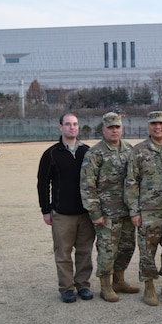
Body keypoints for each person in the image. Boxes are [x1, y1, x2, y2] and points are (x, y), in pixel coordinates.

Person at [124, 111, 162, 306]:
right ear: (149, 126)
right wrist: (134, 211)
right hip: (149, 211)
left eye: (161, 123)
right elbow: (131, 182)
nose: (158, 127)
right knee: (147, 251)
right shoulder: (139, 151)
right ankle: (149, 286)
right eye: (154, 124)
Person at [80, 112, 138, 303]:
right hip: (106, 213)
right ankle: (105, 286)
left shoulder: (129, 149)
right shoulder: (95, 153)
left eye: (117, 127)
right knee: (107, 250)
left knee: (127, 247)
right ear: (103, 129)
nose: (114, 130)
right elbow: (87, 185)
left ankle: (119, 280)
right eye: (110, 127)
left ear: (122, 128)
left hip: (127, 211)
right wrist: (95, 212)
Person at [37, 113, 95, 303]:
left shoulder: (87, 152)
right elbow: (43, 183)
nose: (72, 127)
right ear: (60, 127)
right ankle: (67, 288)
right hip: (62, 213)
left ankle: (83, 285)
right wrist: (46, 210)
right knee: (63, 253)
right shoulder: (51, 154)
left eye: (75, 124)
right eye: (68, 124)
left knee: (84, 252)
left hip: (85, 213)